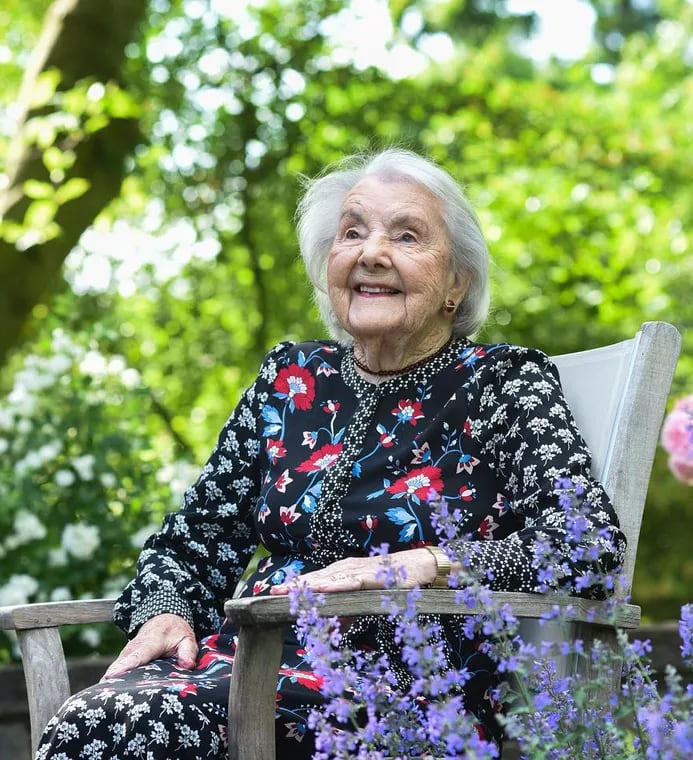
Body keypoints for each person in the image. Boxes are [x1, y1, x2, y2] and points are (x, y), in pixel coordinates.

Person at [36, 148, 626, 759]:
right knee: (99, 720)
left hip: (395, 695)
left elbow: (586, 542)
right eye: (352, 232)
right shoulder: (291, 378)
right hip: (239, 670)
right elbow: (198, 535)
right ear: (329, 266)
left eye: (406, 235)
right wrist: (168, 612)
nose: (371, 252)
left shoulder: (502, 383)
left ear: (457, 283)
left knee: (105, 728)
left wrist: (425, 563)